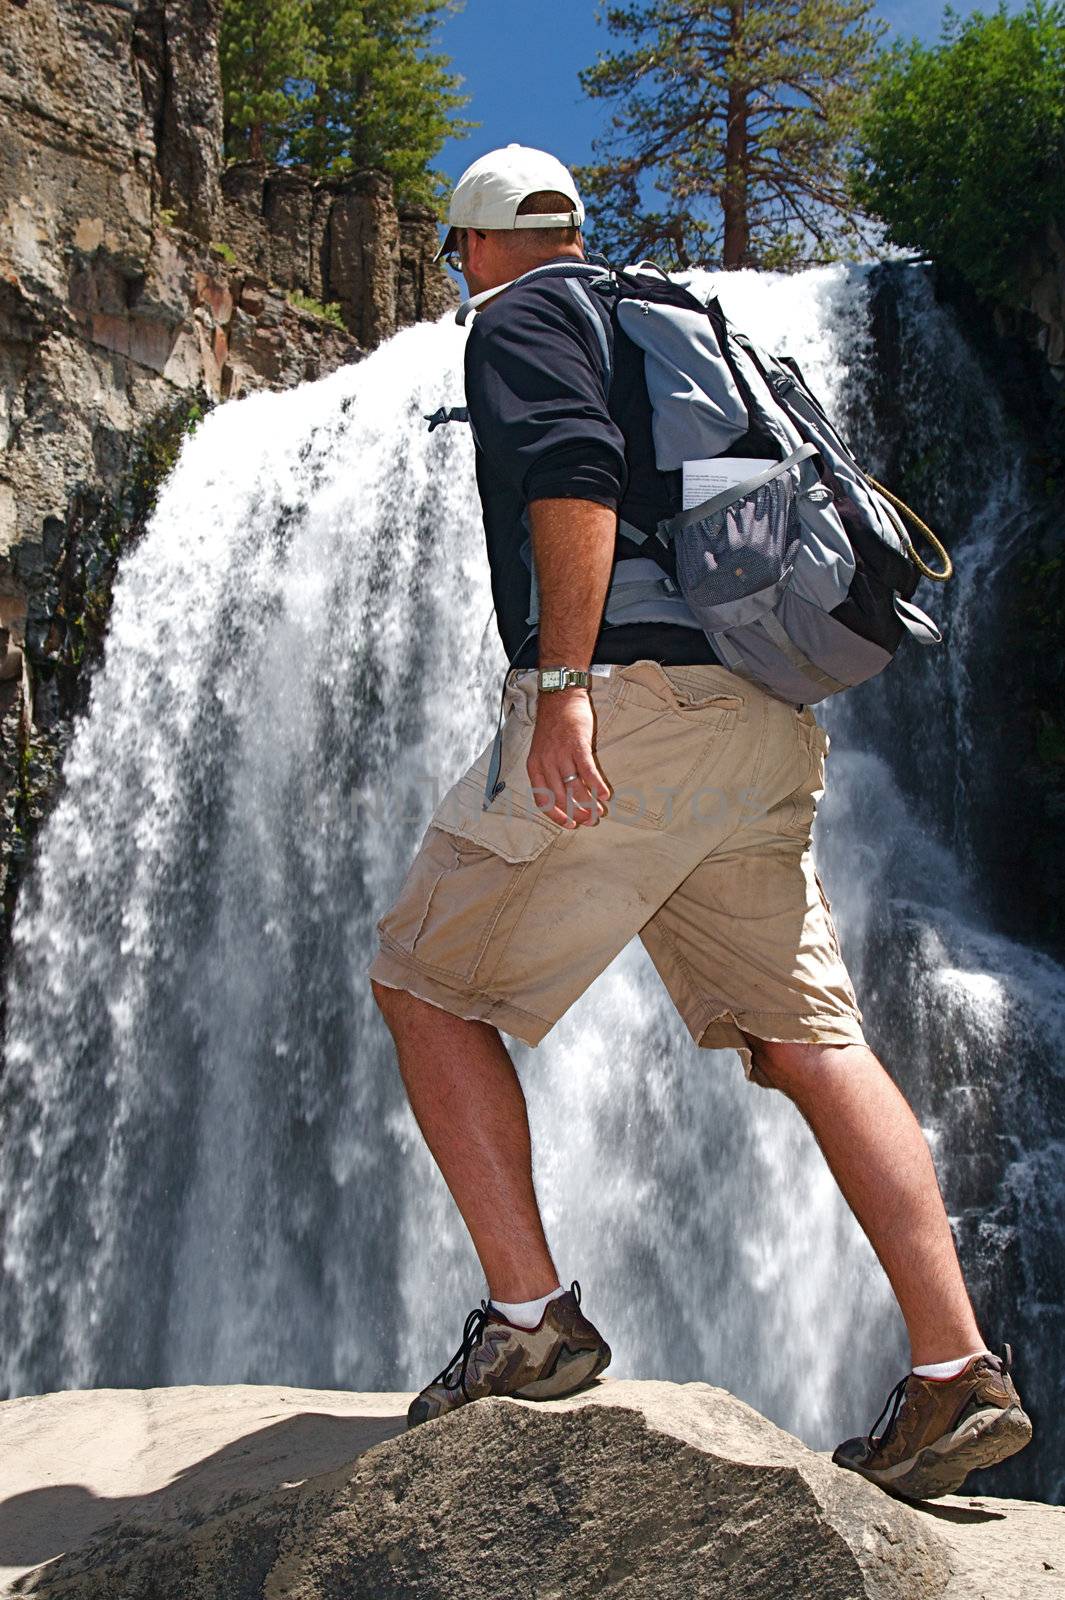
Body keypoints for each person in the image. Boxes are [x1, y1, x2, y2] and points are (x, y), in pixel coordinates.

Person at [367, 144, 1032, 1499]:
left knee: (422, 987)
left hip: (633, 709)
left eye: (455, 256)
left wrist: (564, 689)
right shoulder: (662, 315)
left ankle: (526, 1323)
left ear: (477, 243)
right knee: (809, 1042)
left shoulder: (526, 312)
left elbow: (572, 477)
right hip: (759, 724)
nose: (462, 277)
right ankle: (955, 1373)